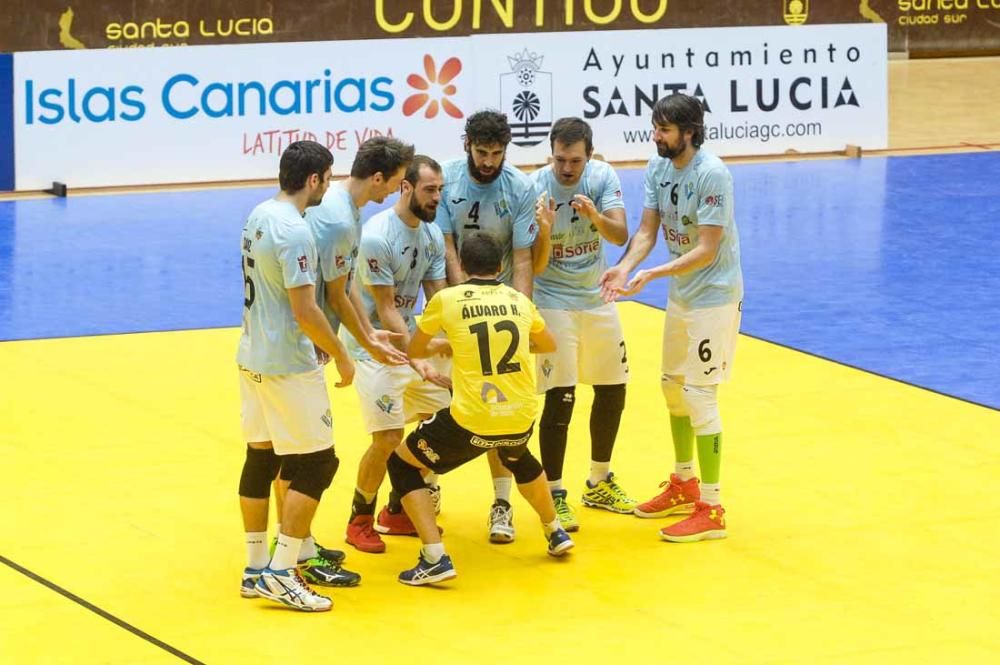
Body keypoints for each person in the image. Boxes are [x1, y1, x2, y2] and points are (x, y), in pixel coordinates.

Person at [386, 231, 574, 585]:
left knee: (401, 464)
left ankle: (434, 557)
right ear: (501, 266)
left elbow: (416, 350)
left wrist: (456, 344)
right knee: (518, 457)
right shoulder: (518, 300)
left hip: (472, 420)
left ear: (461, 267)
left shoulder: (448, 299)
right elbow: (547, 343)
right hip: (520, 414)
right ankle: (555, 531)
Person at [600, 93, 743, 542]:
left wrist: (653, 273)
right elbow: (646, 230)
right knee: (671, 388)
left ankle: (713, 508)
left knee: (700, 395)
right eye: (655, 128)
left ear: (689, 132)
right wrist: (624, 266)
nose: (655, 136)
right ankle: (684, 482)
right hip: (683, 296)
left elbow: (706, 248)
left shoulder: (713, 174)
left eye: (664, 129)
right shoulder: (658, 167)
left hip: (714, 298)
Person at [236, 140, 357, 612]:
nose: (330, 184)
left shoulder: (259, 213)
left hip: (251, 355)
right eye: (328, 177)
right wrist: (341, 354)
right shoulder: (296, 232)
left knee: (263, 457)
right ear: (315, 180)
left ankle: (254, 568)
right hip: (286, 363)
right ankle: (283, 572)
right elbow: (306, 311)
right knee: (317, 463)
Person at [303, 137, 420, 554]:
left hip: (321, 336)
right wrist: (353, 350)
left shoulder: (344, 208)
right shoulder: (338, 221)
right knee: (306, 455)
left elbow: (346, 282)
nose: (394, 192)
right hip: (307, 340)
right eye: (395, 183)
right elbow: (333, 295)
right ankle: (299, 548)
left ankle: (298, 546)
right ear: (377, 178)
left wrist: (368, 336)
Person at [434, 109, 538, 543]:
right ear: (467, 144)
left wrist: (521, 314)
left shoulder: (520, 187)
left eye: (497, 153)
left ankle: (501, 504)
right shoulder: (447, 182)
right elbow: (447, 248)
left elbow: (522, 258)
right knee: (434, 395)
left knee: (499, 408)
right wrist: (462, 304)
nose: (489, 161)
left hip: (502, 309)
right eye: (482, 152)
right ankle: (428, 488)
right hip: (460, 300)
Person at [338, 155, 452, 552]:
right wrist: (419, 355)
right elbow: (386, 308)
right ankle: (359, 518)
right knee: (387, 437)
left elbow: (438, 299)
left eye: (440, 190)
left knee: (451, 416)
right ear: (406, 188)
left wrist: (457, 338)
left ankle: (397, 507)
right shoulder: (377, 236)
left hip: (407, 343)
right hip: (374, 348)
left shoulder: (433, 235)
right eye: (429, 190)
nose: (437, 198)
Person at [530, 117, 636, 532]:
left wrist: (593, 214)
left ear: (589, 156)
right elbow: (535, 265)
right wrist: (544, 231)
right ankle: (555, 492)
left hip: (596, 297)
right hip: (553, 300)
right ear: (550, 154)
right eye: (560, 160)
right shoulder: (536, 186)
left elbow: (618, 234)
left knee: (613, 387)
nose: (567, 169)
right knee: (561, 396)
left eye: (575, 161)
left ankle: (599, 479)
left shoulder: (602, 176)